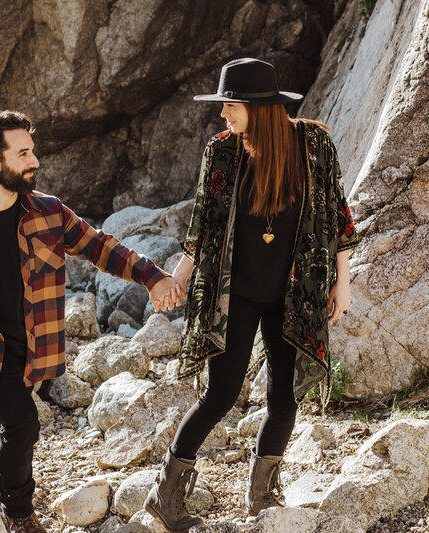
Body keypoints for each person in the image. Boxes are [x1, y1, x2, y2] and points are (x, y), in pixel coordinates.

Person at [0, 111, 182, 533]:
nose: (35, 160)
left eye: (33, 150)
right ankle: (18, 512)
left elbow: (99, 246)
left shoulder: (48, 211)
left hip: (31, 341)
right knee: (22, 421)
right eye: (24, 153)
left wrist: (151, 276)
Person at [144, 58, 359, 532]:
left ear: (258, 107)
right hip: (234, 294)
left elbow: (337, 215)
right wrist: (176, 278)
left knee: (284, 400)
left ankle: (261, 499)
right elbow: (203, 223)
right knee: (220, 396)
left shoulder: (313, 143)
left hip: (295, 293)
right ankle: (165, 496)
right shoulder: (222, 151)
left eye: (230, 106)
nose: (223, 115)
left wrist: (343, 282)